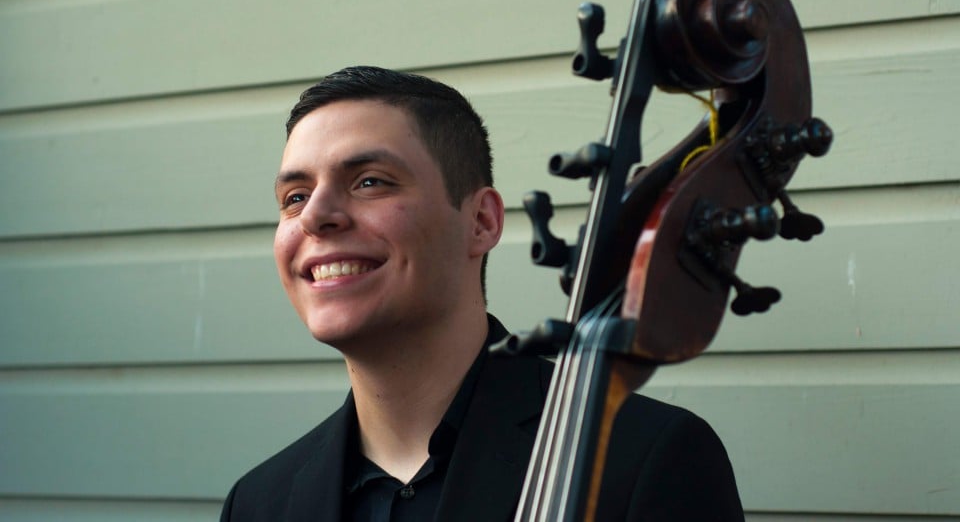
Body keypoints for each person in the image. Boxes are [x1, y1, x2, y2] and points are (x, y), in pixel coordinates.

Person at [220, 66, 744, 521]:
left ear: (481, 221)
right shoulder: (258, 503)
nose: (314, 216)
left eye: (370, 182)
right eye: (295, 196)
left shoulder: (646, 457)